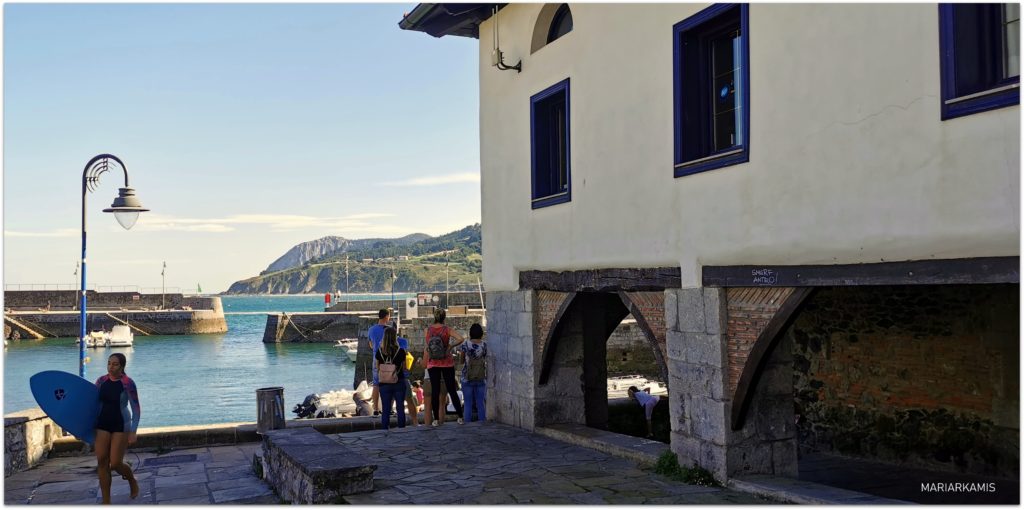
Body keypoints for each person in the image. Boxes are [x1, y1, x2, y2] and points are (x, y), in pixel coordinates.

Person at [94, 353, 141, 504]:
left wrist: (133, 431)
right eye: (109, 363)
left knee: (115, 463)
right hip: (102, 424)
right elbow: (92, 404)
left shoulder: (128, 383)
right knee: (102, 461)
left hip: (121, 425)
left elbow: (136, 409)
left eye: (114, 364)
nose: (110, 367)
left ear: (122, 366)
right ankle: (106, 501)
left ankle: (132, 480)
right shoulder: (101, 381)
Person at [422, 308, 465, 426]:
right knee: (451, 389)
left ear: (434, 317)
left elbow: (427, 346)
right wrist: (450, 346)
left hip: (433, 363)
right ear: (444, 317)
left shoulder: (428, 330)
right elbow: (461, 339)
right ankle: (460, 417)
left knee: (435, 390)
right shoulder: (447, 330)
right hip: (447, 362)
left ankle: (435, 419)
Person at [374, 326, 407, 430]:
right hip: (399, 381)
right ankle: (401, 428)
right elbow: (405, 367)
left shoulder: (380, 351)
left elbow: (377, 366)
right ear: (394, 337)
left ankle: (385, 429)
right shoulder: (401, 351)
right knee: (400, 407)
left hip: (384, 383)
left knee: (386, 408)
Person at [458, 323, 488, 423]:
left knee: (467, 403)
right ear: (481, 333)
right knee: (480, 403)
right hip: (480, 377)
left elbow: (461, 361)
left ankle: (467, 424)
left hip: (467, 377)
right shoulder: (484, 345)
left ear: (470, 333)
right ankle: (482, 423)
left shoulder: (465, 344)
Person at [367, 308, 391, 415]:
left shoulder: (371, 329)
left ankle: (376, 409)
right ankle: (388, 409)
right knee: (389, 384)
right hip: (387, 360)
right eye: (389, 316)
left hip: (376, 358)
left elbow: (371, 345)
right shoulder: (389, 330)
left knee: (376, 384)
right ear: (386, 317)